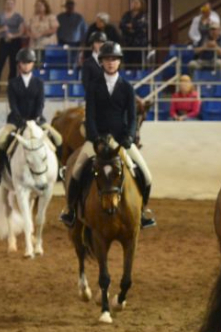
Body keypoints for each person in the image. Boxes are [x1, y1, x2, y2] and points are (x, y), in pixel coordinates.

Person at [60, 42, 156, 229]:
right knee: (77, 172)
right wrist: (95, 137)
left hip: (121, 141)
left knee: (146, 174)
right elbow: (91, 116)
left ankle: (143, 211)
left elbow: (132, 116)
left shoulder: (127, 88)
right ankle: (70, 210)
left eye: (114, 59)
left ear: (119, 62)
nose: (110, 63)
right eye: (107, 59)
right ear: (102, 62)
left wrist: (129, 136)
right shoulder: (94, 87)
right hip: (97, 140)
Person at [0, 48, 62, 186]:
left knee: (58, 138)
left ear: (33, 64)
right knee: (2, 141)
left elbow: (40, 103)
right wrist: (21, 120)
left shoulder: (39, 83)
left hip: (37, 120)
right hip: (16, 121)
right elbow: (13, 105)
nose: (26, 65)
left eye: (28, 62)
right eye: (23, 63)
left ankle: (59, 169)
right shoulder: (12, 83)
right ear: (19, 64)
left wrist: (35, 119)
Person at [0, 0, 25, 94]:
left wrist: (13, 36)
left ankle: (11, 88)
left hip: (15, 42)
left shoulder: (18, 17)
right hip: (4, 41)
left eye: (11, 3)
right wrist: (3, 29)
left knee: (13, 65)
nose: (9, 5)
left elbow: (22, 31)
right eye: (7, 3)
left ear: (14, 4)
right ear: (5, 4)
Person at [120, 0, 149, 68]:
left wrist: (132, 26)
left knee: (139, 64)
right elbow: (121, 25)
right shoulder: (127, 14)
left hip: (140, 43)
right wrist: (132, 27)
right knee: (128, 64)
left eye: (136, 2)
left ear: (141, 4)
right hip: (127, 43)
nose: (134, 4)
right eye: (133, 2)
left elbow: (142, 26)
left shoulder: (144, 15)